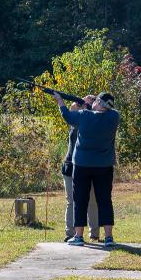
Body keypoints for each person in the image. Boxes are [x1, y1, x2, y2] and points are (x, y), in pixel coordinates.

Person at [53, 91, 119, 247]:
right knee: (104, 201)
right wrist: (90, 105)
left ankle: (78, 236)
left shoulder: (84, 115)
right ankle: (108, 237)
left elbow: (67, 116)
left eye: (96, 100)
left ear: (99, 103)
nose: (93, 101)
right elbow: (98, 114)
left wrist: (60, 100)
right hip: (104, 166)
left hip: (82, 165)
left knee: (79, 201)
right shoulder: (114, 117)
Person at [62, 96, 100, 242]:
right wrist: (78, 104)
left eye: (89, 101)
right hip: (70, 165)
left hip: (86, 165)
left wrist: (85, 108)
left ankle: (94, 232)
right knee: (71, 201)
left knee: (91, 200)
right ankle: (71, 233)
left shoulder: (93, 121)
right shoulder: (76, 119)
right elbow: (70, 111)